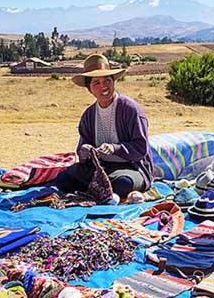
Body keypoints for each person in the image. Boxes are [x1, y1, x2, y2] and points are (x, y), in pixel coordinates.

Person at [54, 54, 154, 199]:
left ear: (113, 82)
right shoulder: (89, 115)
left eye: (107, 80)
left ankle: (98, 190)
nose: (104, 86)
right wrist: (85, 151)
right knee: (63, 179)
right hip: (100, 168)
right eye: (97, 83)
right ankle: (100, 189)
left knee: (122, 183)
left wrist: (115, 148)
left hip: (131, 167)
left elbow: (141, 148)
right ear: (90, 89)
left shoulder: (130, 109)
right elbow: (82, 150)